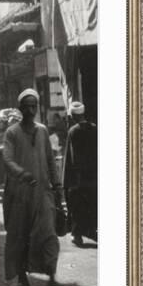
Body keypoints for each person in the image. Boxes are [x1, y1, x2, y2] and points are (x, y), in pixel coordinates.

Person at [2, 88, 65, 286]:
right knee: (20, 236)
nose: (30, 110)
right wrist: (22, 174)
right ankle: (21, 276)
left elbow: (49, 160)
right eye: (26, 106)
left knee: (48, 234)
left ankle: (51, 273)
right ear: (20, 108)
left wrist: (57, 187)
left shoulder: (43, 130)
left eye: (33, 106)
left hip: (42, 194)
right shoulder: (11, 133)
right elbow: (8, 160)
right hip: (20, 195)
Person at [63, 101, 98, 247]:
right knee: (92, 202)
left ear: (72, 116)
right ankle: (92, 230)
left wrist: (68, 179)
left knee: (77, 204)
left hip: (78, 177)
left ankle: (77, 235)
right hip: (94, 174)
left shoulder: (73, 131)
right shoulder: (94, 128)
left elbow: (71, 157)